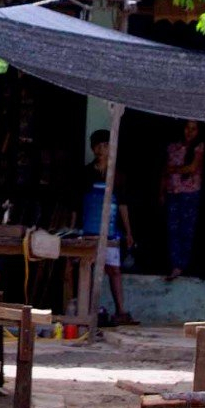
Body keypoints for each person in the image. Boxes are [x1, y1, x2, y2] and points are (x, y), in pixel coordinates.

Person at [82, 129, 135, 324]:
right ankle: (88, 311)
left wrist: (129, 232)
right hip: (89, 229)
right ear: (94, 149)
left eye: (107, 145)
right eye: (100, 146)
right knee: (89, 268)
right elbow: (76, 204)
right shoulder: (86, 173)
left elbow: (123, 204)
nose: (103, 149)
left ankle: (121, 311)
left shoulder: (118, 176)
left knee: (114, 269)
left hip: (112, 231)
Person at [163, 121, 205, 279]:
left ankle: (185, 265)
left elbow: (192, 168)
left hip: (190, 193)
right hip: (172, 191)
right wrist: (161, 191)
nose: (190, 132)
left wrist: (173, 169)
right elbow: (164, 170)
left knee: (187, 230)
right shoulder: (173, 146)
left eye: (193, 129)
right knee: (173, 229)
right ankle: (176, 265)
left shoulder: (198, 147)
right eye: (187, 128)